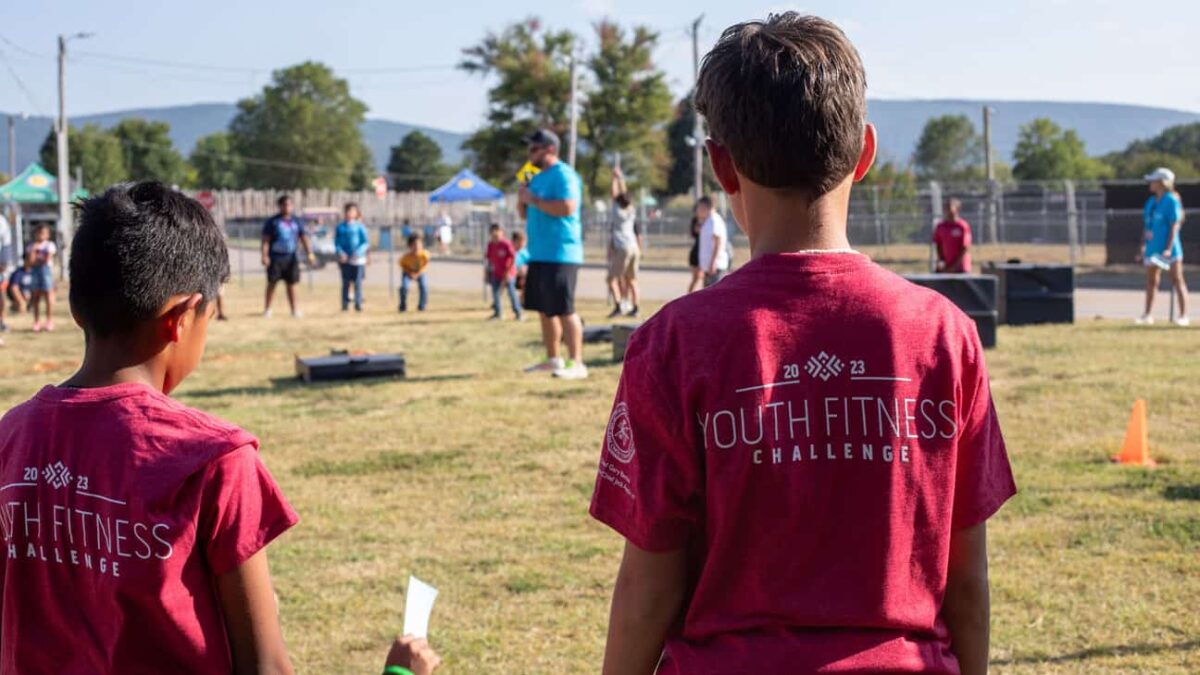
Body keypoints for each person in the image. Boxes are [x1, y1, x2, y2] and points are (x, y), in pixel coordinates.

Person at [590, 14, 1015, 675]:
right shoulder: (944, 334)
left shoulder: (673, 344)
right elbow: (966, 579)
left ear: (721, 165)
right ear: (865, 152)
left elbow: (649, 586)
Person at [0, 181, 299, 672]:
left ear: (76, 308)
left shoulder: (12, 436)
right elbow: (265, 665)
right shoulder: (217, 459)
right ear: (181, 318)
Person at [517, 128, 588, 380]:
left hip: (561, 253)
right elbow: (525, 214)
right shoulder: (536, 177)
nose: (530, 153)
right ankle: (553, 359)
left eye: (534, 148)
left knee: (564, 308)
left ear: (550, 149)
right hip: (538, 253)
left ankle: (576, 362)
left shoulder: (564, 174)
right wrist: (523, 197)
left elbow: (568, 207)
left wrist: (534, 199)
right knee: (545, 309)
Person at [1137, 167, 1188, 325]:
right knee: (1151, 281)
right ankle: (1147, 315)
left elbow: (1174, 225)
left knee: (1177, 279)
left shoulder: (1171, 201)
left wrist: (1168, 248)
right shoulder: (1151, 202)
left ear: (1162, 183)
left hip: (1170, 249)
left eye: (1153, 180)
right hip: (1153, 248)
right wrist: (1143, 245)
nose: (1150, 183)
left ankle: (1183, 316)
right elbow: (1147, 226)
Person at [261, 194, 315, 318]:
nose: (287, 207)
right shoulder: (273, 221)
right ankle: (267, 309)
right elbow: (266, 241)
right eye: (284, 204)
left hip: (291, 257)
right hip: (275, 257)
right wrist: (264, 256)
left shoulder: (297, 221)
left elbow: (304, 238)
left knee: (291, 284)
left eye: (289, 204)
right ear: (280, 206)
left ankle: (294, 310)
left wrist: (310, 254)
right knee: (272, 283)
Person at [607, 167, 642, 318]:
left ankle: (618, 306)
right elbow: (623, 194)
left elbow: (615, 194)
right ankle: (636, 307)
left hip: (623, 248)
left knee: (611, 279)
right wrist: (621, 178)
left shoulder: (617, 211)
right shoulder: (631, 210)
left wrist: (614, 178)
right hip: (634, 247)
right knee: (632, 280)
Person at [335, 202, 371, 312]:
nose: (350, 213)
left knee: (357, 283)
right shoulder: (340, 227)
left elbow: (365, 242)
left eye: (352, 211)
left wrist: (358, 253)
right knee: (346, 282)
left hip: (357, 260)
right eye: (348, 211)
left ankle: (358, 303)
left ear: (356, 213)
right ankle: (345, 304)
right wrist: (341, 253)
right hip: (345, 260)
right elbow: (337, 243)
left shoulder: (360, 227)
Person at [486, 223, 522, 321]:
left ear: (501, 233)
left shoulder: (506, 244)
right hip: (496, 274)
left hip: (508, 274)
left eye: (497, 233)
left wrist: (508, 272)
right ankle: (498, 313)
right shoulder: (490, 245)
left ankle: (518, 313)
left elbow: (513, 257)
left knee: (512, 294)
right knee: (496, 294)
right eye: (493, 234)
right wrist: (487, 273)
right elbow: (489, 259)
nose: (495, 236)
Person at [26, 224, 57, 332]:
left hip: (46, 272)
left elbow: (46, 260)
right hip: (35, 273)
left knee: (48, 296)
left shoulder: (50, 245)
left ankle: (49, 321)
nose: (40, 235)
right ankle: (36, 321)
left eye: (43, 233)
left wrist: (36, 260)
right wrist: (34, 250)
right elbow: (30, 262)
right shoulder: (31, 246)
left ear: (48, 235)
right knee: (36, 297)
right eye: (38, 233)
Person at [695, 195, 730, 287]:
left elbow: (718, 243)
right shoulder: (708, 221)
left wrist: (713, 263)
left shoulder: (714, 221)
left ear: (704, 206)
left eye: (698, 207)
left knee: (716, 298)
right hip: (709, 268)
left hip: (715, 268)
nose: (697, 210)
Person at [934, 198, 973, 274]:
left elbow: (965, 247)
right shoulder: (940, 226)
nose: (947, 209)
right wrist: (941, 261)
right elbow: (939, 245)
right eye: (945, 207)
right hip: (945, 268)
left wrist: (954, 266)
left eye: (949, 207)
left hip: (960, 268)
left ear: (957, 209)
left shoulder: (962, 226)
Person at [399, 234, 430, 312]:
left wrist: (418, 273)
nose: (417, 247)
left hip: (420, 272)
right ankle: (403, 306)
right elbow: (402, 266)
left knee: (424, 286)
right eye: (415, 245)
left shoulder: (424, 255)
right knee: (404, 287)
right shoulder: (406, 257)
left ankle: (422, 306)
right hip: (408, 272)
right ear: (410, 246)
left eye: (419, 244)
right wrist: (410, 273)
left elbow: (425, 266)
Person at [686, 215, 703, 293]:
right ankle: (689, 295)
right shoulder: (696, 220)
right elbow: (695, 231)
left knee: (700, 277)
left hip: (703, 253)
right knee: (696, 277)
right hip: (696, 253)